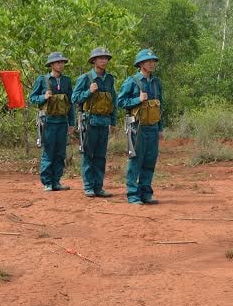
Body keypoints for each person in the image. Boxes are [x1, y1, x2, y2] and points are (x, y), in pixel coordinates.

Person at [118, 49, 164, 205]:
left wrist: (160, 128)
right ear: (141, 64)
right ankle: (133, 195)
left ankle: (146, 194)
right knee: (136, 160)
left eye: (153, 61)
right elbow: (121, 102)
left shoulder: (156, 83)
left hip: (152, 127)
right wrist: (137, 100)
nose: (152, 64)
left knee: (150, 160)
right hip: (137, 127)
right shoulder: (132, 81)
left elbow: (160, 107)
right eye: (148, 61)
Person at [71, 47, 117, 198]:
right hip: (89, 123)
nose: (104, 61)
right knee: (87, 155)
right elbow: (74, 98)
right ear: (94, 61)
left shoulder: (110, 79)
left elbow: (114, 101)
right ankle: (89, 186)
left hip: (104, 122)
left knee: (100, 156)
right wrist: (88, 92)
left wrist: (114, 122)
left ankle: (99, 187)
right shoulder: (85, 78)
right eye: (100, 58)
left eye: (106, 58)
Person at [30, 52, 75, 192]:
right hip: (48, 122)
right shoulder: (42, 80)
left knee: (60, 153)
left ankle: (56, 181)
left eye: (62, 62)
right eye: (58, 62)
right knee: (48, 152)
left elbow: (71, 103)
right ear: (51, 64)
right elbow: (32, 98)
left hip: (62, 122)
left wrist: (72, 123)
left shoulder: (67, 81)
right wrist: (43, 97)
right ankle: (47, 182)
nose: (61, 65)